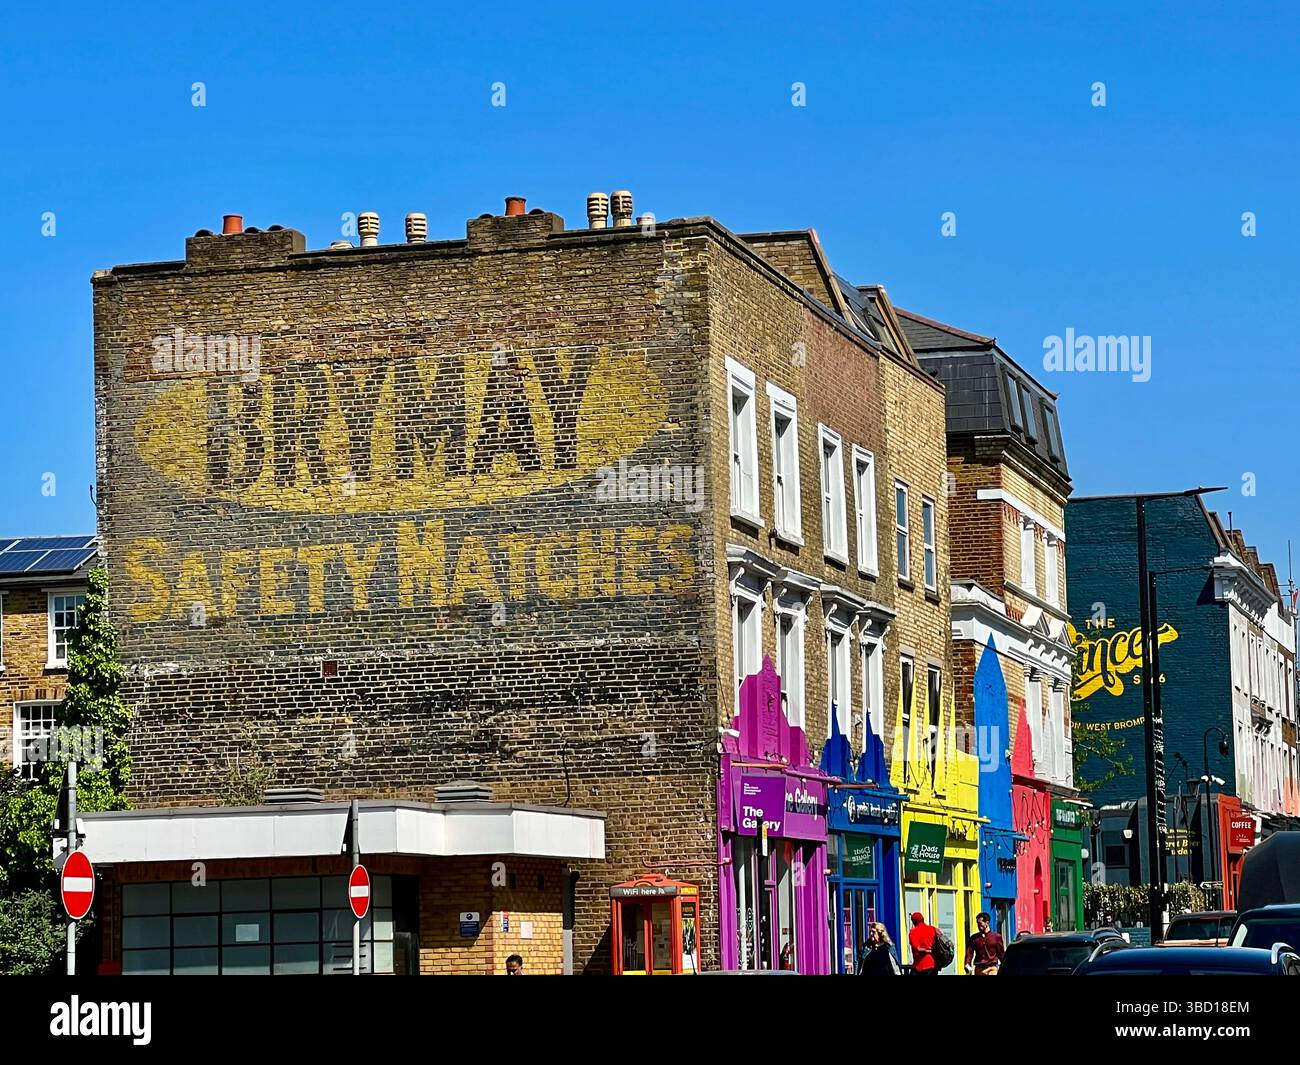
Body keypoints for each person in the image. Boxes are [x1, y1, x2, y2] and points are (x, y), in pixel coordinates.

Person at [908, 911, 939, 975]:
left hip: (920, 965)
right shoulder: (932, 929)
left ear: (914, 921)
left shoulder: (913, 932)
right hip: (933, 964)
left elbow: (918, 948)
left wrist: (927, 950)